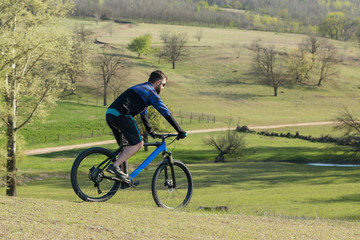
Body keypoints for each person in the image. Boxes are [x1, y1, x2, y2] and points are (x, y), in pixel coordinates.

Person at [106, 70, 187, 182]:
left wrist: (150, 131)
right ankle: (115, 166)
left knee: (125, 147)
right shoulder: (150, 92)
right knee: (138, 144)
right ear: (158, 82)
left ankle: (123, 179)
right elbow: (165, 111)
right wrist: (179, 130)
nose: (163, 88)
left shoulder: (142, 88)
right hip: (121, 114)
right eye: (163, 85)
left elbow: (144, 112)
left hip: (110, 114)